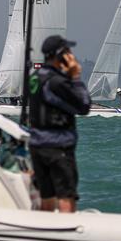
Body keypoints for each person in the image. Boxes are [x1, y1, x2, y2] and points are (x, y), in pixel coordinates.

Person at [28, 35, 91, 213]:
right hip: (57, 147)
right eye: (68, 51)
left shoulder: (34, 77)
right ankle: (67, 234)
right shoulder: (57, 82)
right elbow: (84, 106)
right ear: (60, 55)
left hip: (37, 145)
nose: (71, 54)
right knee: (66, 196)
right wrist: (76, 77)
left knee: (46, 196)